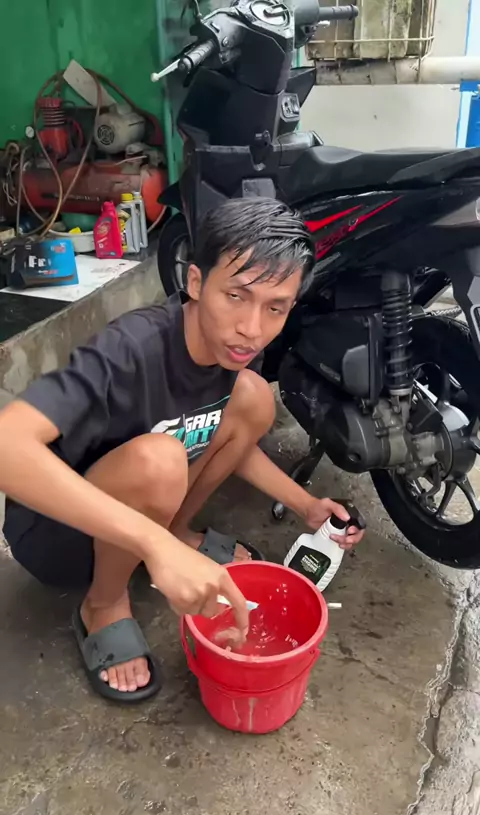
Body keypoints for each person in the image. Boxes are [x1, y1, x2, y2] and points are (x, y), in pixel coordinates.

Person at [0, 197, 364, 702]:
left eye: (275, 308)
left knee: (253, 399)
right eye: (235, 295)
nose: (252, 328)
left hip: (140, 506)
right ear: (195, 281)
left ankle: (174, 529)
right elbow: (7, 445)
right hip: (59, 533)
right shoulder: (131, 348)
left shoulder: (228, 350)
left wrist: (305, 505)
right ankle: (103, 604)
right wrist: (157, 548)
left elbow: (216, 433)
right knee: (161, 461)